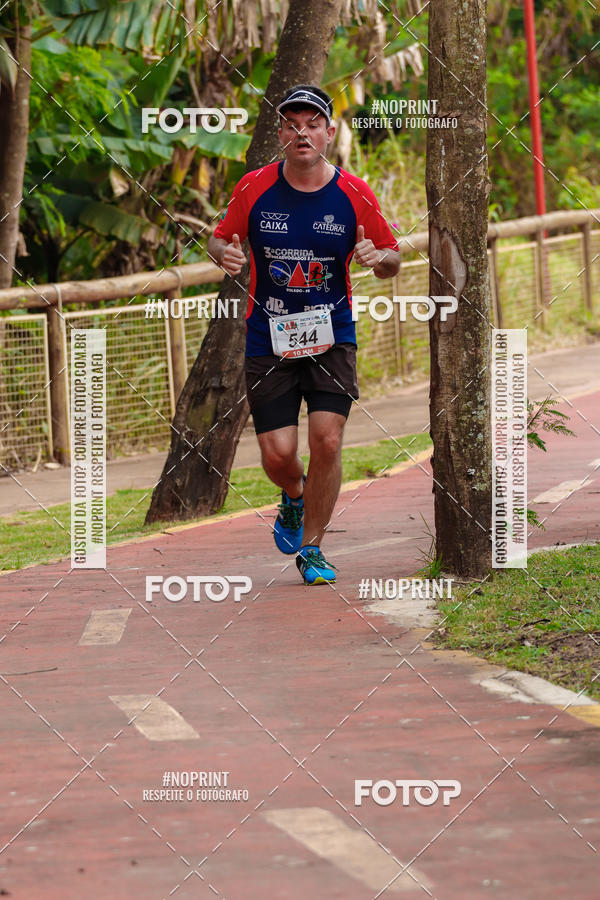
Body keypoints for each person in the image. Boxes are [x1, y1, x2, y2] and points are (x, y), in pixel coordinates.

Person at [207, 84, 401, 585]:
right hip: (267, 336)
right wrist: (225, 254)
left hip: (332, 334)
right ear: (280, 134)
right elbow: (219, 238)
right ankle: (294, 496)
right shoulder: (254, 187)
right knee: (277, 454)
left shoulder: (355, 193)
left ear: (329, 133)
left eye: (312, 124)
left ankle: (312, 548)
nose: (302, 133)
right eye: (292, 125)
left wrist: (379, 259)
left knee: (327, 441)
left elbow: (392, 257)